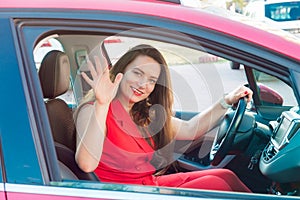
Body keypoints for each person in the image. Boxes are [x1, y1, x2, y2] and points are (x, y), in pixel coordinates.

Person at [74, 44, 253, 192]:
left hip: (148, 185)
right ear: (121, 71)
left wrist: (227, 100)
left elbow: (191, 129)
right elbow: (86, 164)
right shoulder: (92, 109)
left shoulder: (142, 112)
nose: (143, 84)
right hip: (124, 192)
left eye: (152, 80)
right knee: (217, 186)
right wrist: (102, 103)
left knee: (224, 175)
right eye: (137, 73)